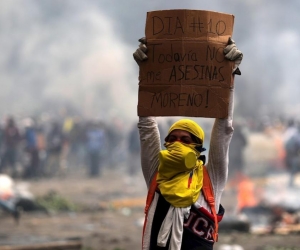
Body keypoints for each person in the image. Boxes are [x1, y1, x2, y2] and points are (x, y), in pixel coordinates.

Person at [133, 37, 243, 249]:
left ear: (198, 148)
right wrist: (146, 73)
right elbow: (147, 126)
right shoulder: (156, 173)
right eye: (172, 140)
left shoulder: (212, 180)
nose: (177, 144)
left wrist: (229, 75)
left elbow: (224, 129)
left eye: (185, 140)